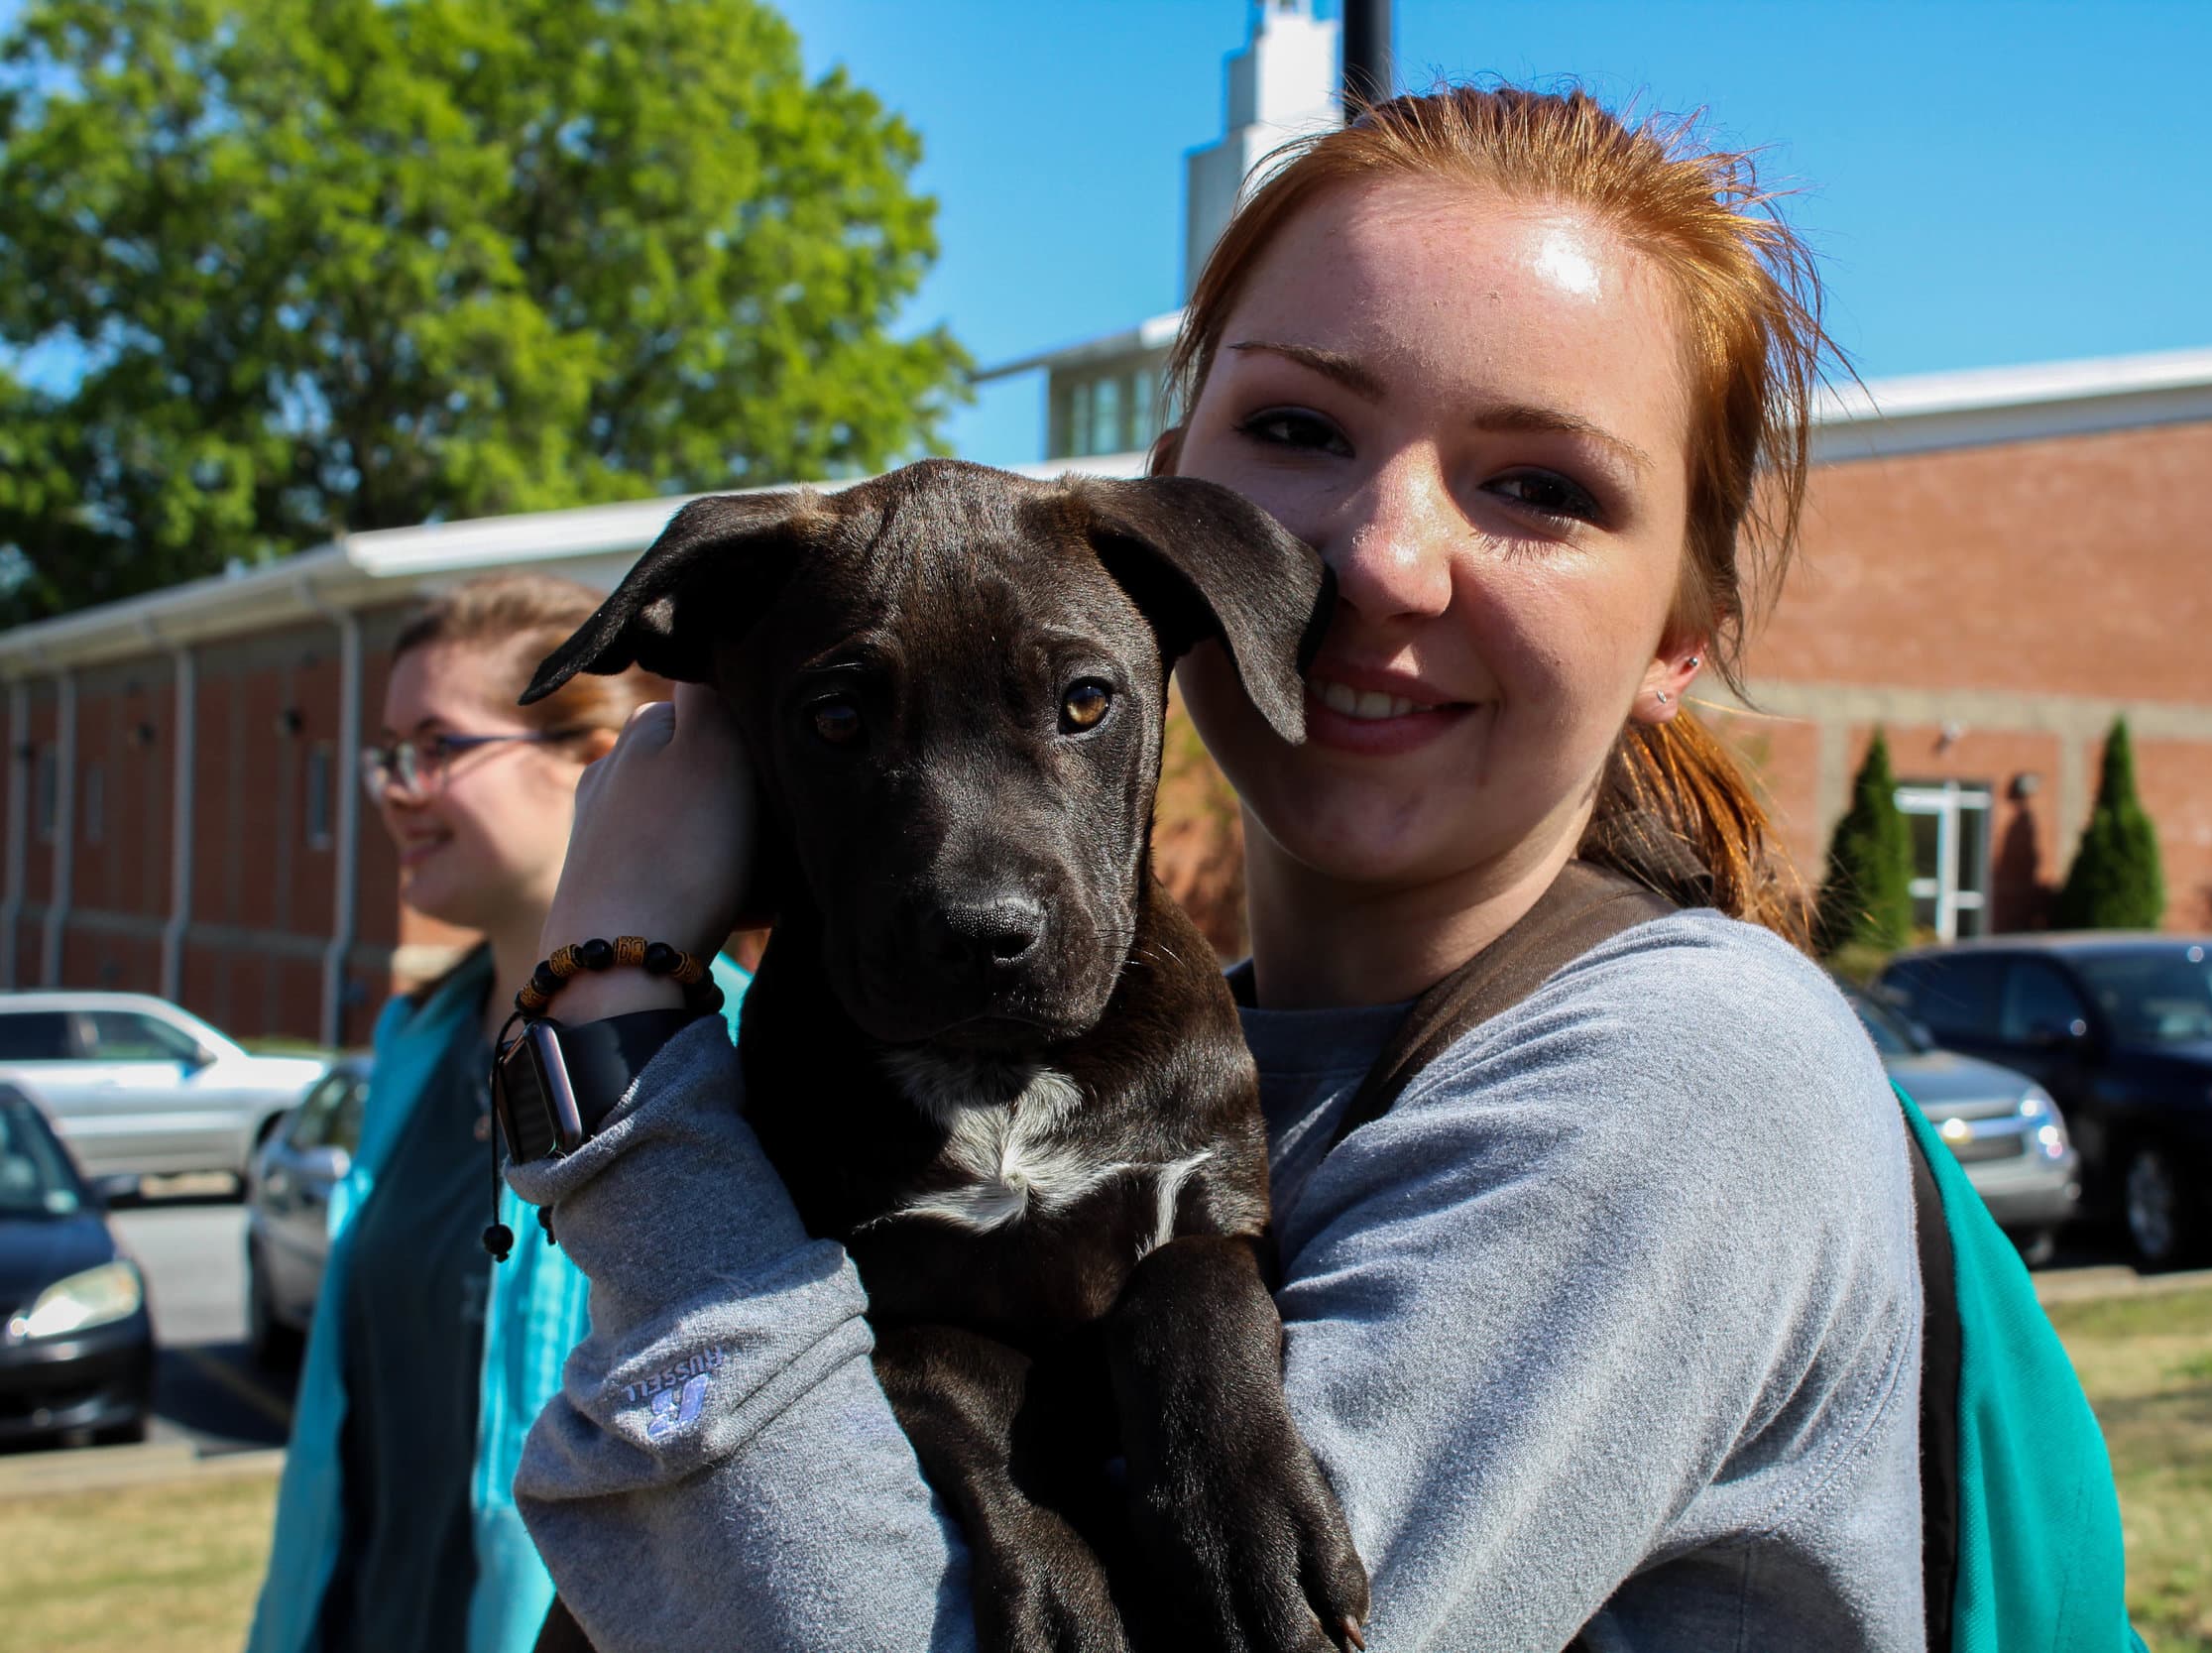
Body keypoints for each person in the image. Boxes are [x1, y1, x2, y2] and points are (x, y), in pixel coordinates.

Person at [506, 86, 1924, 1651]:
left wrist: (617, 1021)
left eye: (1542, 488)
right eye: (1303, 430)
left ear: (1679, 631)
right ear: (1179, 512)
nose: (1381, 558)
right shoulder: (1209, 1061)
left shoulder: (1686, 1080)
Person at [247, 575, 751, 1653]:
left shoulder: (734, 1060)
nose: (396, 788)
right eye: (388, 753)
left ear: (593, 752)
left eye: (437, 746)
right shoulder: (413, 1048)